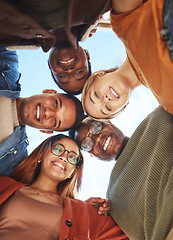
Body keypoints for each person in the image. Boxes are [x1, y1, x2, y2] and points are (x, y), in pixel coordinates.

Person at [71, 106, 173, 239]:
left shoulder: (159, 117)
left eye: (96, 127)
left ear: (109, 121)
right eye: (87, 144)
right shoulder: (111, 199)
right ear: (93, 155)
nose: (97, 139)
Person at [0, 134, 129, 240]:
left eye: (72, 157)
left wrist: (105, 212)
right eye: (58, 149)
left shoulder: (85, 213)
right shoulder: (4, 184)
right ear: (43, 154)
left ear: (72, 172)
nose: (63, 157)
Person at [82, 0, 173, 120]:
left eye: (96, 95)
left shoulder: (122, 26)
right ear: (123, 107)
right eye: (108, 108)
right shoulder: (168, 101)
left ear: (98, 75)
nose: (106, 100)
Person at [0, 46, 84, 176]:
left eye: (55, 121)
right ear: (49, 92)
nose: (48, 113)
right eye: (56, 104)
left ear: (46, 131)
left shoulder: (16, 162)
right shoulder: (8, 63)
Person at [0, 0, 111, 94]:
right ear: (87, 55)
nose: (69, 70)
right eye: (79, 72)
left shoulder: (10, 36)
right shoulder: (95, 8)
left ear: (49, 64)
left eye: (62, 76)